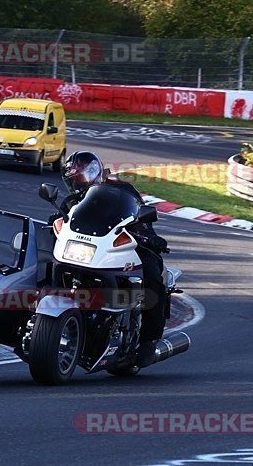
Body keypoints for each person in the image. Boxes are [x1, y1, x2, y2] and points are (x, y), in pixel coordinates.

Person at [55, 151, 169, 368]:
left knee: (152, 273)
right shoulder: (73, 200)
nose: (79, 181)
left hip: (123, 244)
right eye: (74, 179)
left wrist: (148, 237)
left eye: (82, 175)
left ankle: (148, 340)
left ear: (95, 171)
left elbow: (140, 217)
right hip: (86, 250)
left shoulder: (122, 190)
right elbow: (63, 220)